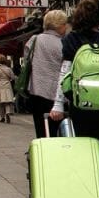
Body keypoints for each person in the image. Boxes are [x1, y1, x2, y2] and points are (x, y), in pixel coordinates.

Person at [49, 0, 99, 164]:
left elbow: (65, 72)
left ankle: (87, 180)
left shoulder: (72, 39)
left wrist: (58, 104)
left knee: (82, 142)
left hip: (79, 101)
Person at [26, 9, 67, 138]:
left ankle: (42, 154)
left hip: (36, 92)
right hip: (56, 94)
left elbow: (27, 59)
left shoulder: (34, 40)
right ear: (59, 26)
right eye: (65, 24)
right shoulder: (64, 44)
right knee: (58, 131)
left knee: (41, 130)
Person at [0, 54, 15, 123]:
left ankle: (2, 117)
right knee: (7, 101)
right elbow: (13, 78)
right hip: (7, 85)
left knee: (0, 102)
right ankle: (8, 112)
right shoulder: (9, 69)